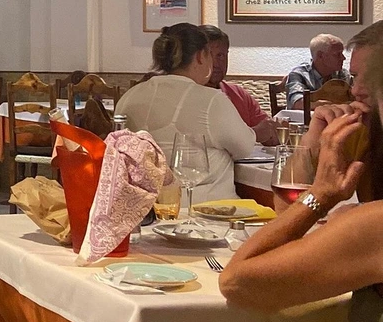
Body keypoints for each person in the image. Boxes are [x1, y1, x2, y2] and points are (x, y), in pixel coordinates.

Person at [218, 43, 383, 322]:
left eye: (370, 80)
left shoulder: (374, 225)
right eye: (355, 76)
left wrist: (321, 196)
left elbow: (237, 283)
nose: (356, 90)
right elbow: (287, 210)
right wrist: (311, 143)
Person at [114, 23, 255, 201]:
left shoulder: (130, 96)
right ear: (200, 57)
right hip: (209, 211)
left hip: (144, 211)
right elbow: (246, 148)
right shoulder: (211, 100)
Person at [199, 25, 277, 146]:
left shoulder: (238, 94)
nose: (216, 63)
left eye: (221, 56)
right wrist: (254, 134)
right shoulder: (188, 95)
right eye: (209, 56)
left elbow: (269, 132)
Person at [285, 33, 350, 109]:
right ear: (320, 55)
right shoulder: (299, 74)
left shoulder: (342, 74)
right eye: (338, 54)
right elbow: (297, 103)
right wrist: (324, 106)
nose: (343, 58)